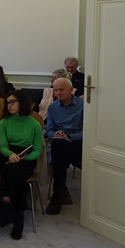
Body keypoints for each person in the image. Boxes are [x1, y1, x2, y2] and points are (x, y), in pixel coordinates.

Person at [0, 90, 43, 240]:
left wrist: (25, 157)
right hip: (8, 154)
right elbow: (3, 147)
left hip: (26, 156)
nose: (9, 105)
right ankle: (19, 213)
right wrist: (10, 154)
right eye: (7, 103)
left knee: (16, 170)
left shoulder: (34, 124)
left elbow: (37, 150)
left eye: (12, 102)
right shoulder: (4, 122)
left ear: (22, 103)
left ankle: (6, 199)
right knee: (13, 169)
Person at [44, 77, 84, 215]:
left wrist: (70, 136)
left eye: (62, 90)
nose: (58, 93)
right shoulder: (52, 107)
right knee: (57, 145)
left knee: (58, 153)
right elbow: (49, 130)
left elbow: (88, 131)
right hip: (60, 142)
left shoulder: (83, 105)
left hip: (78, 142)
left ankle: (58, 193)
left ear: (71, 90)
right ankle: (59, 191)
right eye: (56, 90)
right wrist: (56, 134)